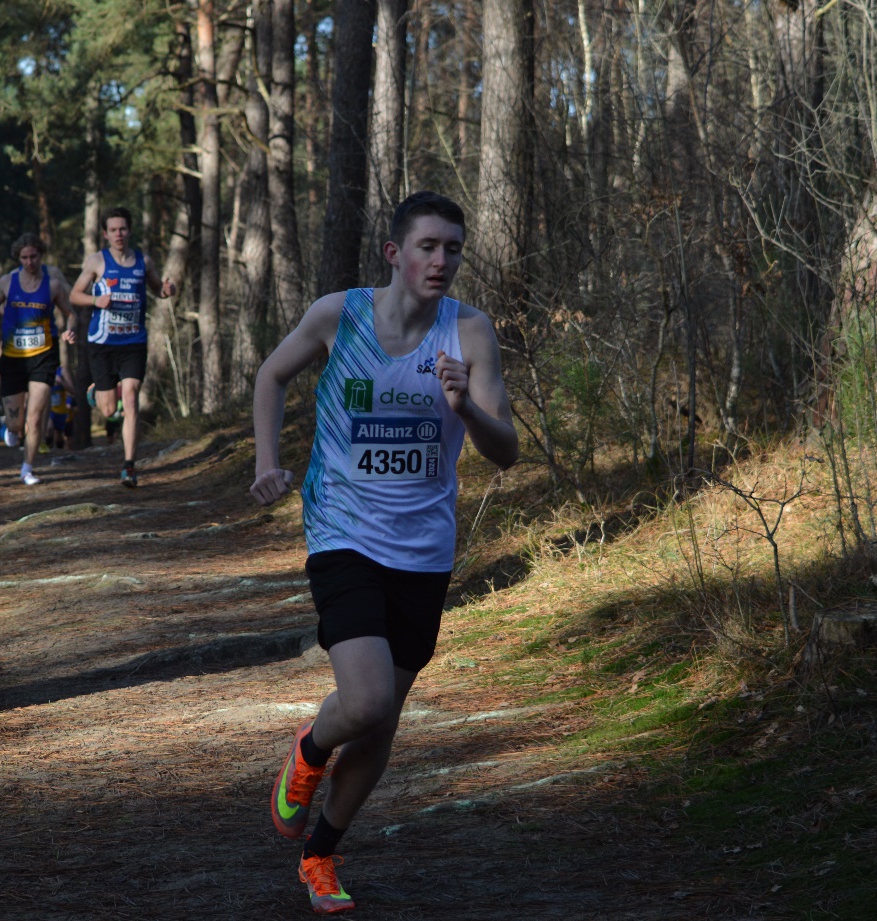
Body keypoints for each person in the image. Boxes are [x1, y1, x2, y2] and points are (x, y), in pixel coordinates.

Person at [250, 191, 519, 914]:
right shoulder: (341, 315)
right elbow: (272, 375)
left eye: (453, 249)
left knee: (382, 722)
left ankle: (320, 855)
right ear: (395, 253)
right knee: (363, 701)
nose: (441, 261)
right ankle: (308, 751)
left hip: (424, 550)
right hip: (343, 529)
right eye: (428, 247)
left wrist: (467, 410)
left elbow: (508, 451)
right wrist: (266, 461)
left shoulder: (470, 333)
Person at [69, 206, 177, 487]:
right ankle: (99, 389)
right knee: (107, 411)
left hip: (133, 342)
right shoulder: (96, 262)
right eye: (113, 230)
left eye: (123, 229)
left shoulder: (144, 261)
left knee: (130, 399)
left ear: (130, 231)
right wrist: (95, 301)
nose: (119, 234)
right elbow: (75, 294)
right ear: (105, 234)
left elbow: (157, 290)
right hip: (103, 343)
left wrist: (166, 290)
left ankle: (129, 466)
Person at [0, 232, 78, 486]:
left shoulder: (52, 285)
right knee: (17, 423)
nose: (29, 262)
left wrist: (70, 329)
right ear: (18, 258)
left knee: (35, 417)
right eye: (24, 257)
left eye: (33, 256)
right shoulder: (7, 282)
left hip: (44, 356)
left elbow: (70, 313)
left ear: (41, 255)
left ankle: (27, 468)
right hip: (13, 357)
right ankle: (12, 430)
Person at [48, 369, 74, 451]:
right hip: (48, 409)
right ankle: (47, 448)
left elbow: (72, 390)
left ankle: (59, 450)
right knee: (49, 428)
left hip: (61, 410)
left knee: (59, 435)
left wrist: (61, 381)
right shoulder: (43, 369)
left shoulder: (62, 371)